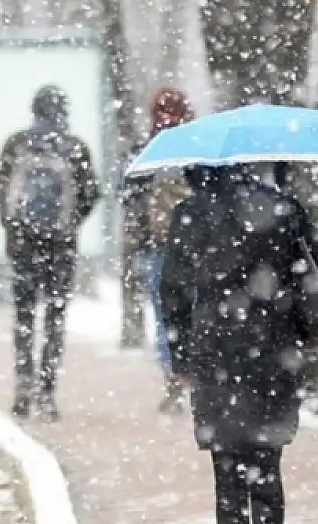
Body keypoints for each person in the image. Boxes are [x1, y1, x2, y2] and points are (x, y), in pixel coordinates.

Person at [160, 164, 318, 524]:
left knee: (227, 474)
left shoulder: (190, 214)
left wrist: (180, 360)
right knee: (267, 469)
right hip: (274, 356)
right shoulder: (283, 208)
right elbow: (315, 276)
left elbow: (171, 292)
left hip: (215, 357)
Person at [0, 85, 101, 421]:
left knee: (24, 315)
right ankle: (47, 390)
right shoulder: (74, 147)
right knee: (55, 316)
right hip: (60, 246)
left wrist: (13, 225)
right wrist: (69, 223)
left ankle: (23, 384)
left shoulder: (17, 144)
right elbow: (92, 192)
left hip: (23, 244)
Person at [120, 87, 196, 413]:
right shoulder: (198, 150)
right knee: (197, 314)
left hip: (157, 247)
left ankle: (174, 378)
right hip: (196, 248)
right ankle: (197, 376)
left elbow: (125, 193)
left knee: (166, 318)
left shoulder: (143, 151)